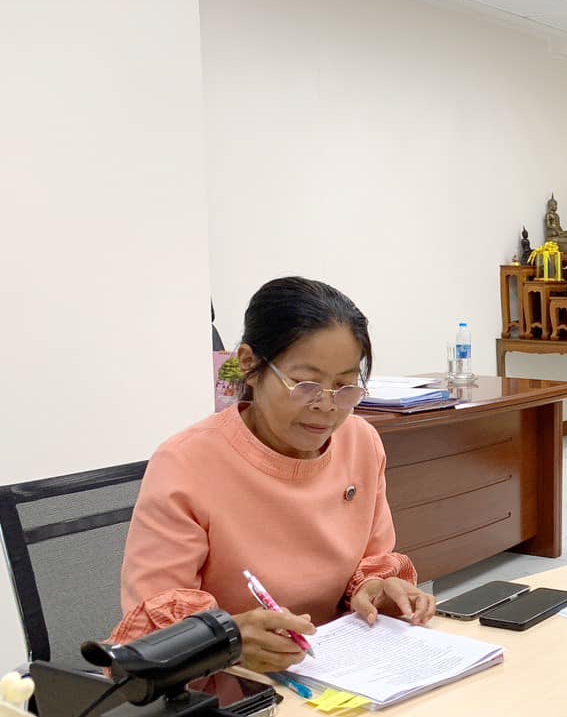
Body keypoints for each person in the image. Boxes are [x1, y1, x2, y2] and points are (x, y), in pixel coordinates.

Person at [110, 277, 435, 673]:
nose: (327, 407)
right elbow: (158, 634)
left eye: (345, 386)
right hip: (228, 688)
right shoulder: (186, 464)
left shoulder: (361, 443)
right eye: (305, 384)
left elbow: (373, 559)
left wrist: (376, 589)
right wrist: (229, 640)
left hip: (336, 671)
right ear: (249, 364)